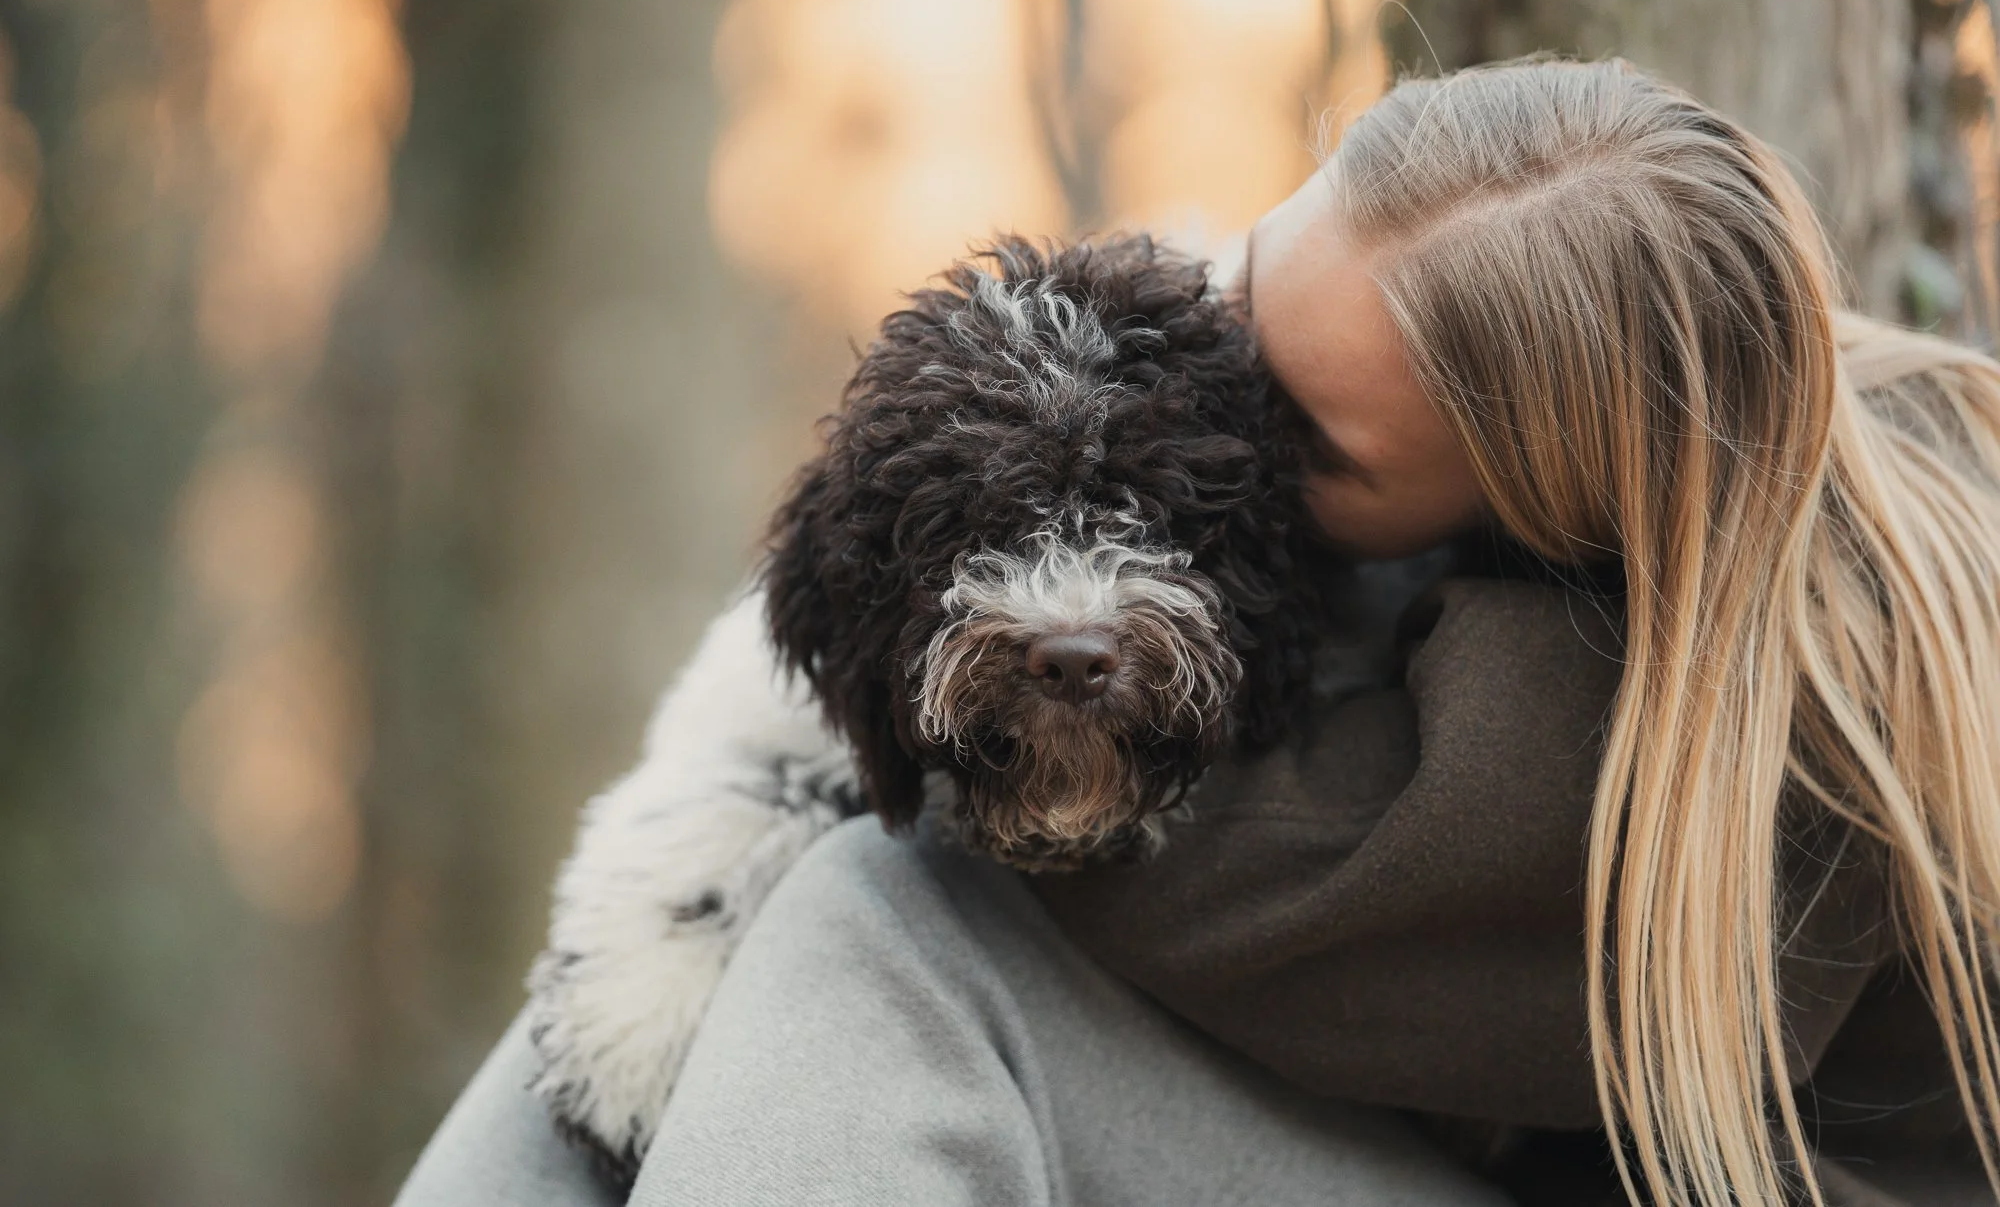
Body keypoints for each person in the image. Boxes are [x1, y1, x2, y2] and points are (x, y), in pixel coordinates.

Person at [396, 58, 2000, 1206]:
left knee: (880, 917)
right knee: (624, 990)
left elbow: (1084, 840)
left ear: (1534, 499)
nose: (1213, 412)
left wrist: (907, 637)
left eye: (1299, 441)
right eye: (1240, 300)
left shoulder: (1749, 719)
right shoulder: (1764, 425)